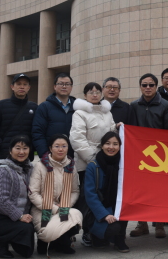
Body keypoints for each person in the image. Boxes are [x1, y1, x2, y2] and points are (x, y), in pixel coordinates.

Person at [70, 82, 121, 247]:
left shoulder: (107, 112)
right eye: (91, 92)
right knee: (89, 198)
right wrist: (93, 159)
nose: (94, 94)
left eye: (97, 92)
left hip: (107, 160)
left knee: (104, 195)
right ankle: (88, 231)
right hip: (88, 163)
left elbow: (111, 132)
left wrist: (117, 127)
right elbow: (77, 139)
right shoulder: (79, 113)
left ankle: (103, 227)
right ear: (85, 95)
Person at [129, 73, 168, 238]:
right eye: (144, 85)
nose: (148, 88)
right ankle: (142, 224)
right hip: (139, 155)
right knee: (141, 191)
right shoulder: (133, 106)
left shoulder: (165, 105)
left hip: (160, 155)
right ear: (140, 87)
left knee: (159, 191)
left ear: (156, 86)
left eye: (151, 85)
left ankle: (159, 224)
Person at [29, 134, 82, 255]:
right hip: (42, 209)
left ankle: (61, 242)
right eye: (57, 146)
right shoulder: (41, 166)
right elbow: (33, 193)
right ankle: (48, 242)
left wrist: (65, 205)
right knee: (48, 235)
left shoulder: (71, 166)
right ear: (50, 148)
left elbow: (74, 191)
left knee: (76, 215)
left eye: (64, 146)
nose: (60, 149)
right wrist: (54, 208)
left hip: (63, 205)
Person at [0, 135, 35, 258]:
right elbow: (2, 200)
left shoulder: (30, 168)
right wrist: (20, 216)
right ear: (10, 150)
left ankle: (9, 240)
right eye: (17, 148)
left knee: (26, 250)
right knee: (25, 229)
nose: (21, 152)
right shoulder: (3, 170)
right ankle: (0, 243)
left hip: (21, 215)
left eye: (25, 148)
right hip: (0, 216)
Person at [84, 132, 130, 253]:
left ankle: (119, 239)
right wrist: (104, 214)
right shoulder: (93, 166)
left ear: (120, 146)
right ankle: (95, 235)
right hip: (99, 209)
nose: (111, 147)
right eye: (107, 143)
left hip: (117, 207)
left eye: (115, 144)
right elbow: (90, 195)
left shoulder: (124, 166)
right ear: (102, 145)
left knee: (122, 213)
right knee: (104, 237)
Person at [0, 73, 38, 165]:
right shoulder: (0, 105)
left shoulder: (34, 107)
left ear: (29, 88)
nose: (22, 87)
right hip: (4, 156)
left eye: (25, 84)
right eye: (18, 84)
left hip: (25, 157)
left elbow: (37, 130)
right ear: (12, 86)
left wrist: (32, 147)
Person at [32, 73, 77, 158]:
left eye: (67, 84)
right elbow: (37, 133)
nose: (64, 86)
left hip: (74, 157)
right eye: (61, 84)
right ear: (55, 86)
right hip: (51, 156)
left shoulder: (77, 107)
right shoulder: (44, 107)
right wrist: (45, 155)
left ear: (71, 87)